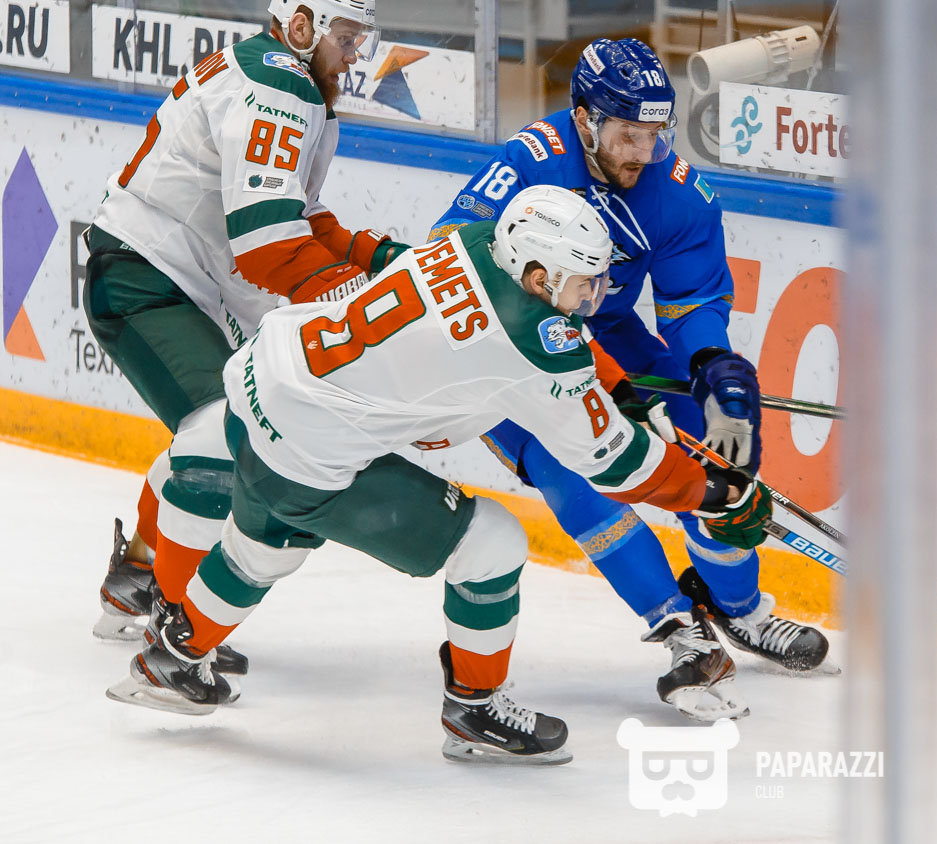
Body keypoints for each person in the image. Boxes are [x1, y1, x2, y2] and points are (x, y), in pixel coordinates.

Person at [105, 186, 774, 765]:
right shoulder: (530, 343)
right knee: (492, 544)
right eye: (584, 284)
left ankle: (171, 661)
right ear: (537, 275)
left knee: (260, 548)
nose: (593, 298)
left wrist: (618, 389)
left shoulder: (477, 242)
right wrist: (715, 493)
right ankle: (475, 709)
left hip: (264, 380)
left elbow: (539, 334)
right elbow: (618, 463)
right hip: (310, 445)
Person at [430, 38, 830, 720]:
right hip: (504, 350)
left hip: (607, 334)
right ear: (585, 118)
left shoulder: (675, 194)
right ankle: (678, 630)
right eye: (627, 135)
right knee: (571, 468)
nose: (643, 152)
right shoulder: (529, 163)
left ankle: (738, 609)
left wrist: (713, 367)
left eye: (655, 134)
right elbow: (449, 255)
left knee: (714, 447)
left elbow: (692, 302)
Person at [87, 0, 402, 677]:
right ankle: (174, 623)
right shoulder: (282, 82)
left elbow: (298, 215)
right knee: (218, 435)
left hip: (168, 276)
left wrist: (381, 262)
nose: (355, 54)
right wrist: (358, 304)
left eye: (361, 39)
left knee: (217, 427)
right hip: (145, 278)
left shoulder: (278, 76)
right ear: (301, 24)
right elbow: (266, 243)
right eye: (346, 36)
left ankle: (138, 573)